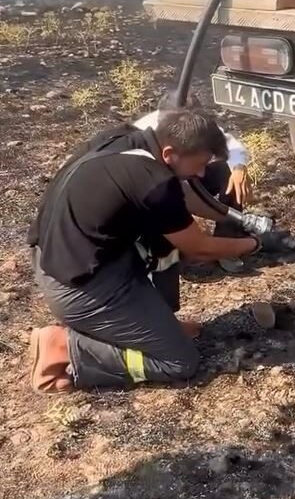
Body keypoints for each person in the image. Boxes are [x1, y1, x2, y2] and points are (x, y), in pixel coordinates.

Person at [28, 109, 265, 394]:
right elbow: (198, 249)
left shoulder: (122, 139)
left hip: (59, 257)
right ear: (169, 154)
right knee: (179, 362)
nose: (202, 173)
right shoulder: (154, 181)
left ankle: (156, 326)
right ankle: (65, 347)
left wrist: (232, 218)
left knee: (160, 239)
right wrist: (252, 244)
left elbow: (183, 201)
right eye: (200, 164)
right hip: (80, 287)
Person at [135, 90, 251, 274]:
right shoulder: (141, 133)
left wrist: (238, 168)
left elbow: (231, 146)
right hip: (156, 191)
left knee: (226, 171)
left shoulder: (198, 126)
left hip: (188, 180)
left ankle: (227, 242)